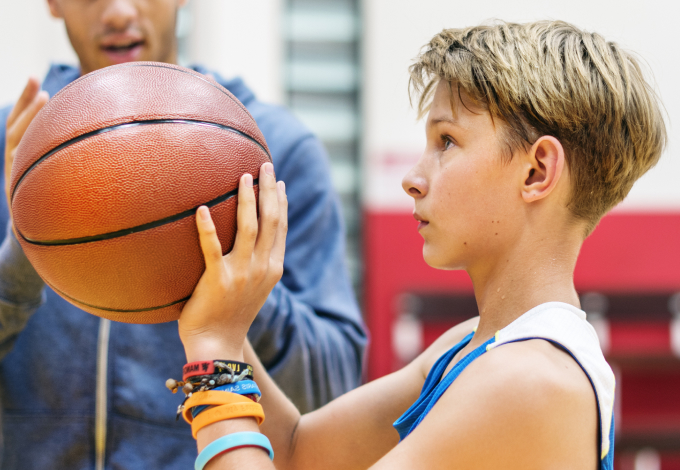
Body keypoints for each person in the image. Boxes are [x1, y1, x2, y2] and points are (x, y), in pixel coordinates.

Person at [172, 21, 666, 470]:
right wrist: (224, 326)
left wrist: (212, 354)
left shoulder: (530, 380)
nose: (411, 179)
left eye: (446, 141)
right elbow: (299, 450)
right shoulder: (469, 345)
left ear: (537, 171)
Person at [0, 0, 366, 468]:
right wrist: (20, 258)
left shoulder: (276, 151)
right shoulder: (20, 155)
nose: (116, 12)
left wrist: (240, 283)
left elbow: (333, 388)